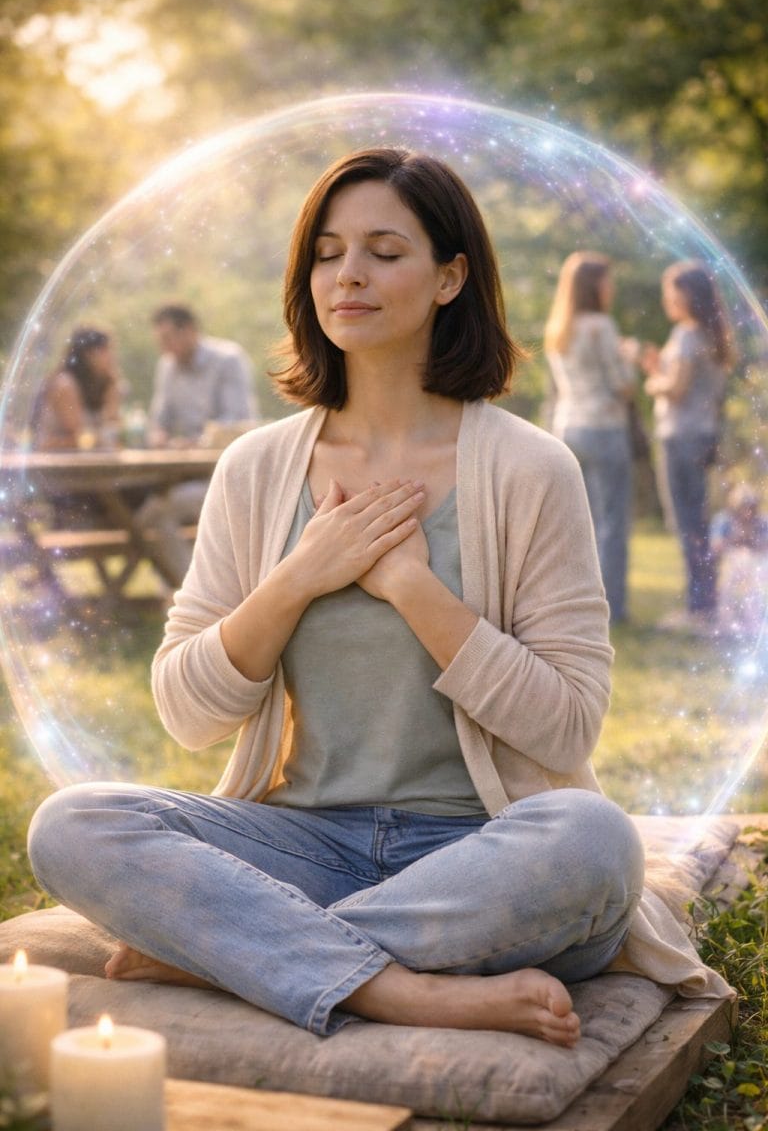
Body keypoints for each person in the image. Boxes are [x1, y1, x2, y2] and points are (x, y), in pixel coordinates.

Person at [27, 149, 731, 1048]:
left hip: (482, 858)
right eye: (327, 252)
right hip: (300, 850)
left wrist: (410, 586)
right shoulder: (257, 469)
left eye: (384, 250)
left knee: (594, 839)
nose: (348, 274)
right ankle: (402, 988)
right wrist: (299, 575)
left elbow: (565, 730)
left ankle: (238, 952)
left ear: (450, 276)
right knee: (75, 823)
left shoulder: (529, 468)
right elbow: (187, 712)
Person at [134, 304, 258, 587]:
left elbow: (237, 422)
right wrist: (159, 435)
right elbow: (160, 418)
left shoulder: (228, 359)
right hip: (183, 474)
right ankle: (191, 590)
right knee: (146, 515)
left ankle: (191, 592)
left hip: (226, 476)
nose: (164, 348)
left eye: (167, 339)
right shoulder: (167, 366)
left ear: (189, 330)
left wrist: (193, 442)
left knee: (156, 515)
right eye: (160, 341)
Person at [544, 252, 637, 623]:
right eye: (607, 280)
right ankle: (612, 608)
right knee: (613, 522)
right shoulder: (601, 326)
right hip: (604, 429)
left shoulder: (558, 328)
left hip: (568, 430)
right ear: (594, 285)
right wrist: (628, 357)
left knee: (574, 526)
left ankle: (570, 609)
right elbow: (622, 387)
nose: (611, 287)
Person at [642, 261, 732, 633]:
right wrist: (658, 370)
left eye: (671, 292)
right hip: (705, 435)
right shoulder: (714, 337)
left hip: (681, 436)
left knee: (687, 523)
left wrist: (652, 383)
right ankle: (705, 603)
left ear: (687, 295)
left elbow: (675, 389)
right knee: (699, 520)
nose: (667, 299)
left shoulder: (686, 335)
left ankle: (698, 609)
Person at [32, 326, 121, 452]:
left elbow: (113, 426)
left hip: (81, 461)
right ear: (87, 354)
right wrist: (106, 436)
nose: (111, 356)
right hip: (54, 463)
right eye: (104, 350)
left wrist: (112, 389)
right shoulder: (64, 384)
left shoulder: (103, 384)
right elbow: (80, 436)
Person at [710, 483, 768, 640]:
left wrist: (753, 541)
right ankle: (725, 626)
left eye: (751, 507)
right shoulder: (724, 520)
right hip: (732, 561)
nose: (747, 512)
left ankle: (754, 626)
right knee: (726, 588)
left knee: (754, 590)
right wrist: (735, 540)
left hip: (757, 563)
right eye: (743, 507)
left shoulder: (762, 521)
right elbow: (716, 545)